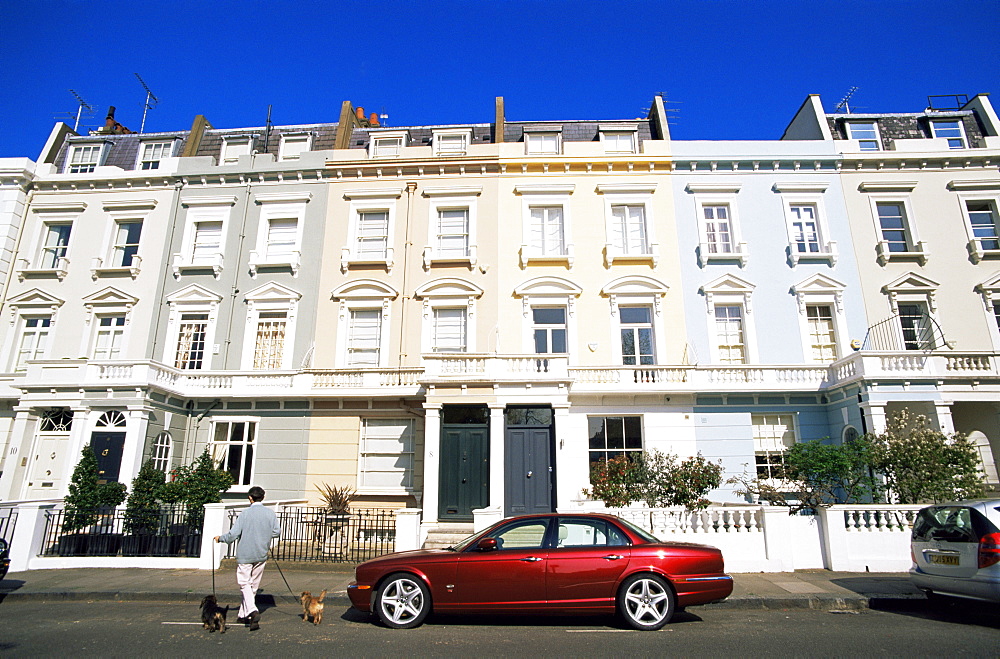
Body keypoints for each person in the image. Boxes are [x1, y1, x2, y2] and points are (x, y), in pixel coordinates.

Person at [214, 485, 281, 631]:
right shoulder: (270, 514)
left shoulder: (245, 514)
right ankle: (243, 614)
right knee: (253, 585)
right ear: (263, 497)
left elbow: (233, 535)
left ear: (250, 498)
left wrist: (220, 539)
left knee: (244, 583)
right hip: (261, 553)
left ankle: (251, 610)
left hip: (246, 554)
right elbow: (276, 532)